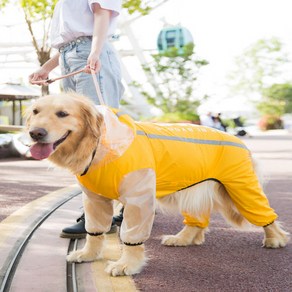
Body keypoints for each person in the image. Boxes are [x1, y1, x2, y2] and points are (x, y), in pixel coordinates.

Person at [29, 0, 124, 238]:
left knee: (99, 133)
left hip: (91, 52)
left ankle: (101, 214)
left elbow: (102, 14)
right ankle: (103, 210)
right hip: (68, 56)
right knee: (80, 135)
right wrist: (47, 68)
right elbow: (68, 43)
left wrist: (95, 51)